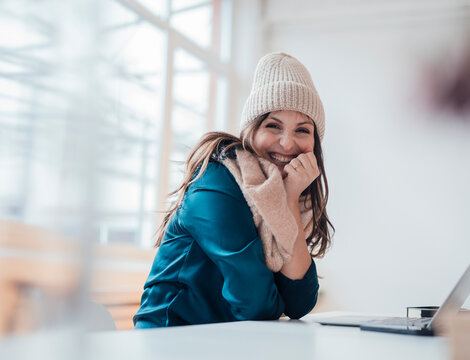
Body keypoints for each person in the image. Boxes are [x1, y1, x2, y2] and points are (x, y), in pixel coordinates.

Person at [133, 52, 334, 328]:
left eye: (302, 130)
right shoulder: (216, 180)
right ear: (250, 131)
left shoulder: (290, 199)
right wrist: (279, 299)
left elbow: (299, 302)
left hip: (228, 341)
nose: (288, 144)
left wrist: (288, 200)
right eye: (273, 126)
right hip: (169, 340)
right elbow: (256, 305)